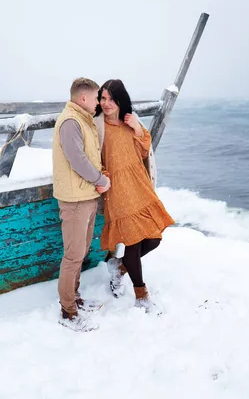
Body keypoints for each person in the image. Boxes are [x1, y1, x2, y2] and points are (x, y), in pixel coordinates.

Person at [95, 79, 174, 313]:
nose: (106, 103)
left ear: (121, 100)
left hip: (139, 186)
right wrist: (102, 176)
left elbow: (143, 150)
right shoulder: (97, 127)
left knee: (153, 238)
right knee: (132, 241)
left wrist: (138, 129)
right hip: (117, 190)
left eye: (111, 98)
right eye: (103, 98)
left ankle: (119, 268)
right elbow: (91, 157)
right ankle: (141, 296)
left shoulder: (131, 122)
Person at [53, 77, 110, 332]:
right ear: (83, 98)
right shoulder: (70, 121)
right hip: (75, 200)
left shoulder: (82, 119)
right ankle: (68, 311)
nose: (99, 102)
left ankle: (74, 298)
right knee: (73, 255)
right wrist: (100, 179)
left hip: (85, 196)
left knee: (80, 252)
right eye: (97, 97)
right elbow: (76, 158)